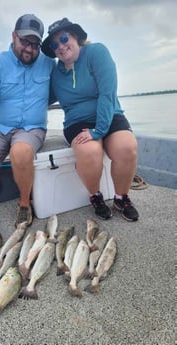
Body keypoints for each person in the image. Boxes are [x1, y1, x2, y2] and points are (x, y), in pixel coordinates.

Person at [0, 14, 55, 240]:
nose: (30, 49)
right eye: (25, 41)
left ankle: (24, 204)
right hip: (0, 126)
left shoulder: (49, 63)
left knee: (21, 152)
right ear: (14, 37)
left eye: (35, 44)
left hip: (32, 128)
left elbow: (69, 78)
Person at [41, 18, 139, 222]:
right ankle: (96, 196)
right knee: (90, 151)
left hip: (110, 115)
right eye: (54, 44)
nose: (60, 46)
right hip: (77, 122)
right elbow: (42, 98)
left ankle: (121, 197)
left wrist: (98, 131)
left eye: (64, 38)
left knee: (127, 147)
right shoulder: (56, 73)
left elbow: (107, 94)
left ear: (75, 36)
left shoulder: (97, 52)